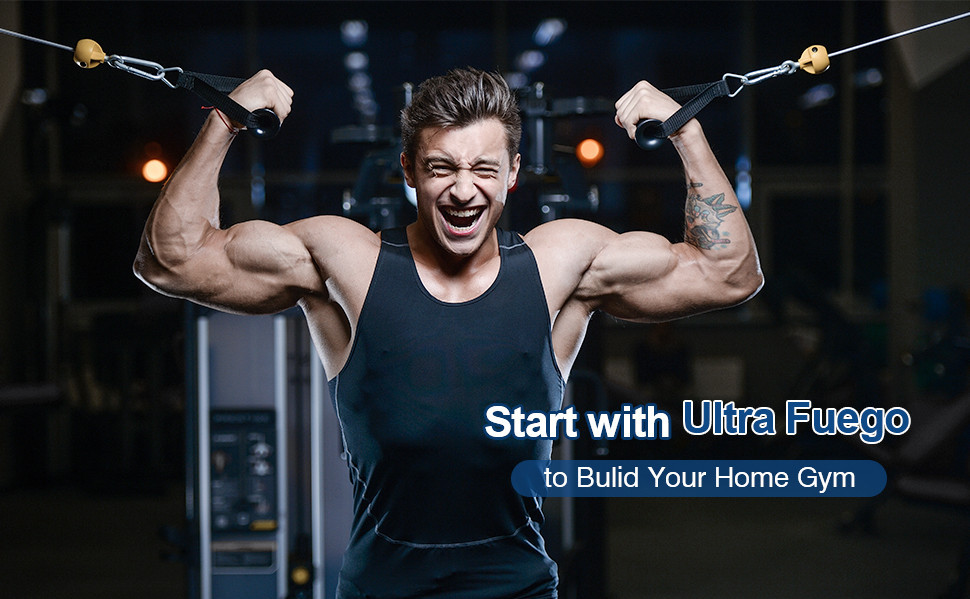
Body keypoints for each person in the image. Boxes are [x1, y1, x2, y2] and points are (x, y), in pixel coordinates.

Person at [134, 67, 763, 598]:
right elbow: (171, 260)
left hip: (517, 589)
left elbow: (727, 274)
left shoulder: (559, 265)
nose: (464, 190)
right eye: (441, 168)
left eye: (485, 169)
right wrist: (225, 117)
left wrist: (685, 127)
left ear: (513, 173)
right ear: (408, 169)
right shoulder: (345, 260)